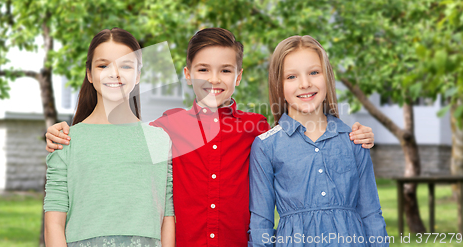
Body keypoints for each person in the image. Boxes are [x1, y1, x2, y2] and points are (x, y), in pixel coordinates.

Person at [44, 28, 375, 247]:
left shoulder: (258, 129)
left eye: (225, 70)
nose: (213, 79)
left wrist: (354, 132)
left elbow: (303, 138)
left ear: (239, 76)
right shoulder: (165, 129)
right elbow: (116, 143)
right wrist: (63, 132)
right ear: (187, 74)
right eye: (202, 69)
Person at [248, 35, 388, 247]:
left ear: (327, 77)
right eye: (291, 76)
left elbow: (371, 214)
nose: (305, 84)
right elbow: (261, 224)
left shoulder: (353, 139)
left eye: (314, 72)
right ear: (279, 84)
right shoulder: (266, 147)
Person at [43, 28, 175, 247]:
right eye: (103, 65)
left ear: (138, 74)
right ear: (89, 74)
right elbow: (54, 223)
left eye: (125, 65)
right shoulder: (66, 140)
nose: (115, 73)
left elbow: (167, 216)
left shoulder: (159, 139)